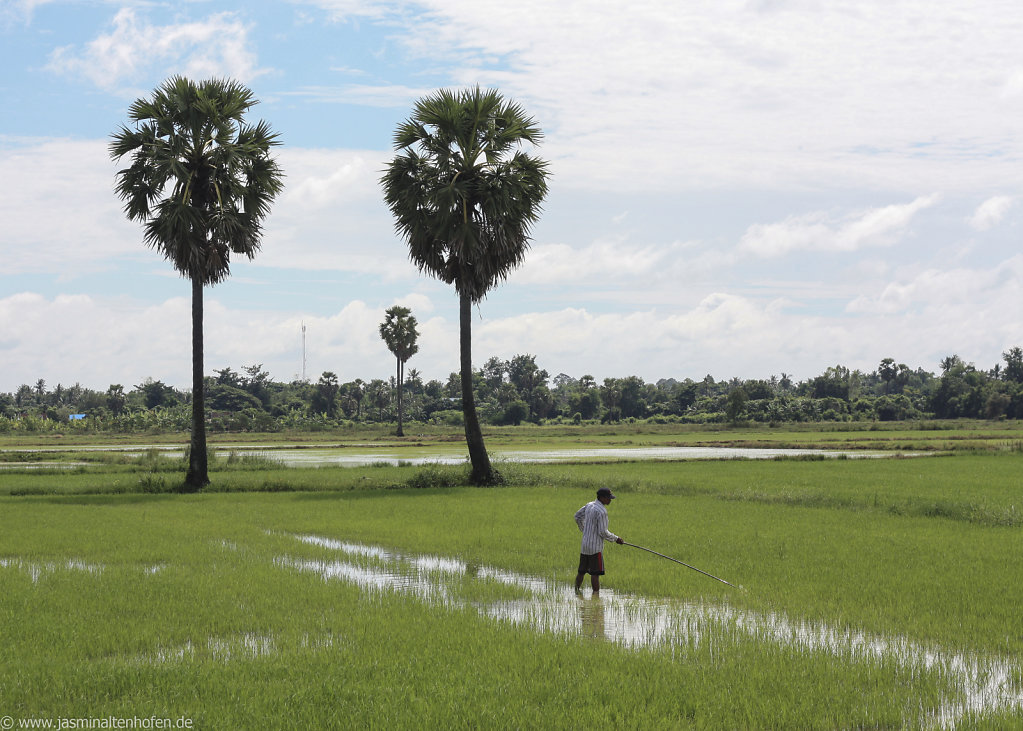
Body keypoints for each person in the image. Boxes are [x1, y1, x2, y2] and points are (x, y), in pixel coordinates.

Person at [574, 487, 624, 596]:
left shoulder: (589, 505)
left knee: (581, 571)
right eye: (608, 498)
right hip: (595, 547)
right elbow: (602, 532)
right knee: (595, 573)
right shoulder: (602, 511)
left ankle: (576, 592)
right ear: (602, 498)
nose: (610, 500)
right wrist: (616, 539)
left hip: (585, 545)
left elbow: (577, 516)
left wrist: (584, 529)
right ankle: (596, 597)